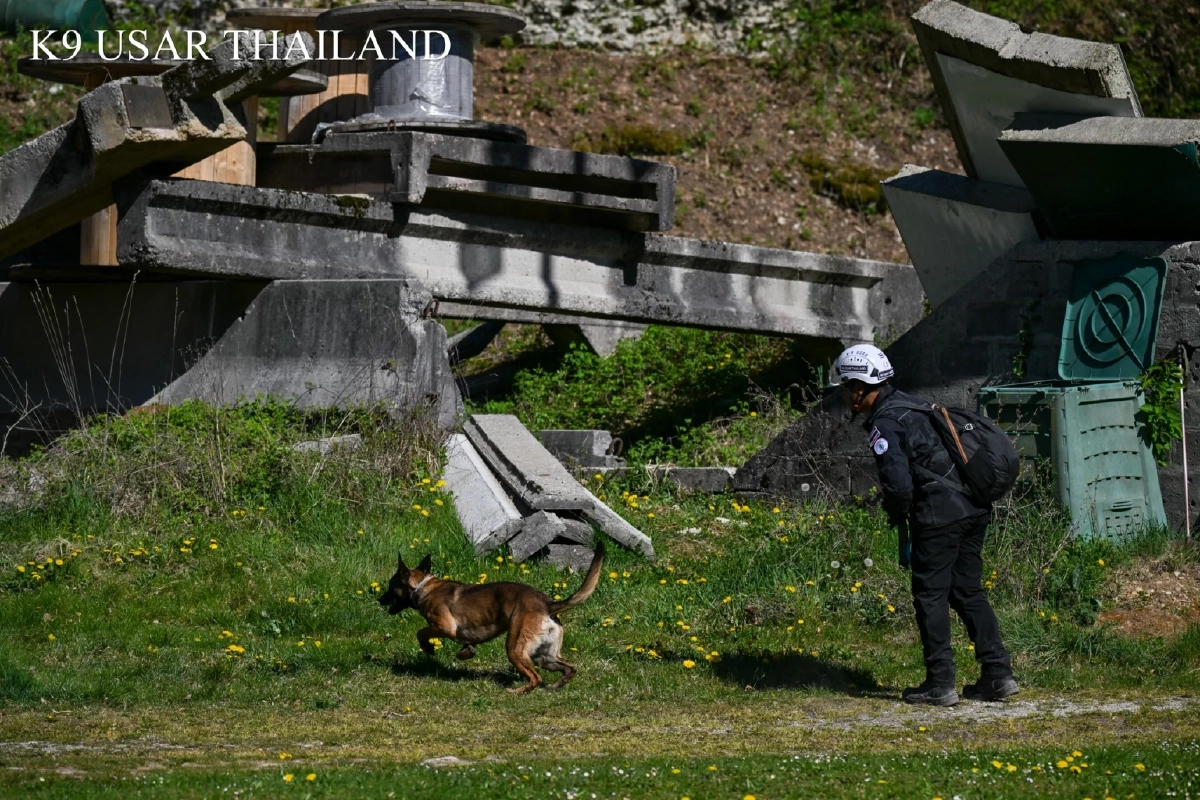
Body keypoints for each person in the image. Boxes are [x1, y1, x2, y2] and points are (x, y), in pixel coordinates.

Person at [832, 343, 1018, 706]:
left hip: (939, 515)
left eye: (845, 386)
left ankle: (940, 682)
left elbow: (899, 486)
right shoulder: (913, 404)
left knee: (930, 595)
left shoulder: (886, 422)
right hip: (973, 507)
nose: (843, 394)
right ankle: (997, 674)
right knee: (967, 590)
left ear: (859, 387)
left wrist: (896, 512)